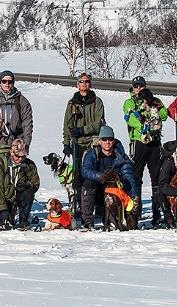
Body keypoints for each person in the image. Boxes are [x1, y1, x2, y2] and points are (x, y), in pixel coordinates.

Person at [0, 70, 34, 214]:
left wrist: (25, 144)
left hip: (15, 145)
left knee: (14, 176)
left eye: (10, 81)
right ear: (0, 82)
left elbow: (28, 124)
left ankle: (12, 206)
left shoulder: (21, 101)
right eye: (4, 81)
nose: (7, 84)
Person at [123, 76, 169, 227]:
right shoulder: (129, 102)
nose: (139, 88)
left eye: (141, 85)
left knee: (156, 177)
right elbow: (129, 119)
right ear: (133, 88)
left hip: (154, 142)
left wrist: (153, 104)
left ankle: (157, 213)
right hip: (139, 141)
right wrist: (143, 125)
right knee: (136, 177)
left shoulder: (154, 99)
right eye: (136, 86)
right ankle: (136, 213)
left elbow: (164, 115)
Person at [80, 126, 138, 229]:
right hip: (97, 189)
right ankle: (88, 221)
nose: (107, 142)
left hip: (114, 192)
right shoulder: (92, 153)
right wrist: (101, 176)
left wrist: (134, 197)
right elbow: (85, 170)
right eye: (104, 139)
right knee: (88, 183)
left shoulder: (121, 156)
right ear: (100, 141)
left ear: (114, 141)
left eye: (110, 139)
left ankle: (113, 220)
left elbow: (128, 175)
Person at [62, 72, 105, 215]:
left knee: (94, 175)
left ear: (90, 84)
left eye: (86, 81)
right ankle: (79, 207)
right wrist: (66, 143)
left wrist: (82, 130)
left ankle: (98, 206)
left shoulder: (97, 102)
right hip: (77, 144)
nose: (84, 84)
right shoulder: (72, 103)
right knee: (77, 176)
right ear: (77, 84)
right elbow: (67, 124)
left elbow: (98, 124)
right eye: (81, 81)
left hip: (93, 142)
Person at [0, 139, 40, 230]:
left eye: (23, 156)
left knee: (28, 193)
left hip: (20, 197)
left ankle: (23, 220)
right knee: (5, 222)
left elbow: (35, 183)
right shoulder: (2, 162)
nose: (21, 159)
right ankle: (5, 214)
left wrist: (27, 185)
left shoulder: (30, 165)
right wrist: (2, 209)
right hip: (6, 198)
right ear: (12, 153)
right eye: (18, 156)